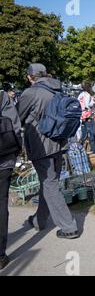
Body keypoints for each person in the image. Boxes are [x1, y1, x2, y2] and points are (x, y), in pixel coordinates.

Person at [17, 63, 79, 239]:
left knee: (49, 184)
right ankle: (39, 220)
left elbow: (17, 117)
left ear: (30, 76)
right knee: (49, 182)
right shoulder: (57, 88)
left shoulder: (31, 92)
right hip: (59, 141)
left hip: (41, 144)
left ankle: (69, 227)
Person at [0, 90, 22, 270]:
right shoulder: (2, 97)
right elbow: (15, 127)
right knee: (1, 204)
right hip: (4, 159)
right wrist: (15, 152)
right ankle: (0, 255)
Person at [78, 81, 95, 154]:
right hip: (88, 116)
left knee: (84, 134)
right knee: (92, 134)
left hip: (82, 116)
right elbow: (87, 105)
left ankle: (81, 151)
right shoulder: (87, 95)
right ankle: (94, 151)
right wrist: (93, 101)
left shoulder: (80, 95)